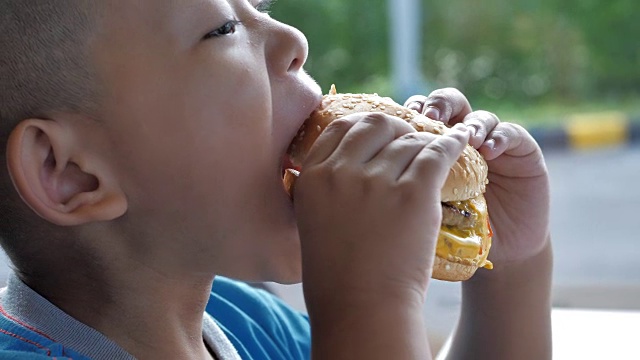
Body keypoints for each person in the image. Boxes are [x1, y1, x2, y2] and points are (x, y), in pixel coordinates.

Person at [0, 0, 552, 359]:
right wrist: (367, 303)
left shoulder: (248, 324)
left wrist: (507, 266)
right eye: (223, 29)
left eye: (260, 6)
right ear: (70, 173)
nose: (294, 40)